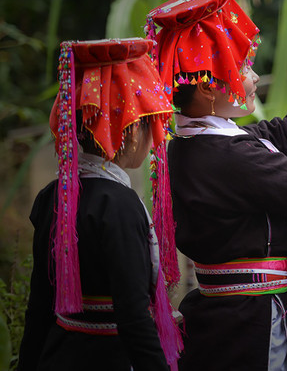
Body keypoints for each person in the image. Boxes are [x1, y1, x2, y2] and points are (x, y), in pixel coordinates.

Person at [146, 0, 287, 371]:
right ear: (210, 89)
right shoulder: (225, 156)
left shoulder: (195, 142)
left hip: (231, 316)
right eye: (243, 66)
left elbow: (275, 134)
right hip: (254, 326)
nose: (255, 75)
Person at [18, 38, 182, 370]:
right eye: (152, 124)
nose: (155, 138)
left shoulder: (54, 196)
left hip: (59, 355)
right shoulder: (119, 205)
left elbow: (39, 305)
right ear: (133, 131)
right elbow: (134, 317)